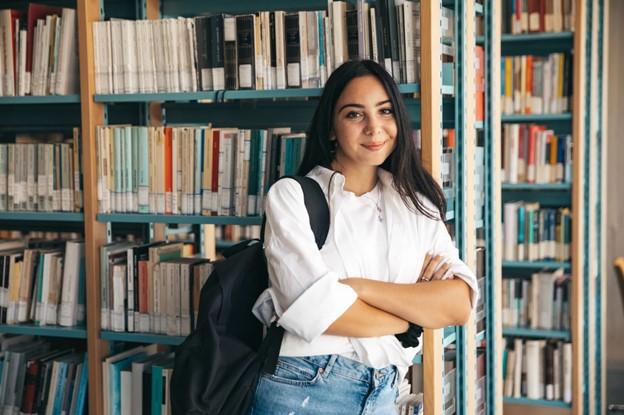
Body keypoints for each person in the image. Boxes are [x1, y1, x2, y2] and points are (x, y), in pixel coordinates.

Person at [249, 60, 478, 415]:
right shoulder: (292, 196)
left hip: (384, 392)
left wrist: (359, 289)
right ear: (331, 129)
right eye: (355, 115)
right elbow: (313, 311)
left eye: (385, 111)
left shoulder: (415, 203)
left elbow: (459, 304)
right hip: (304, 389)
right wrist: (411, 316)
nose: (374, 128)